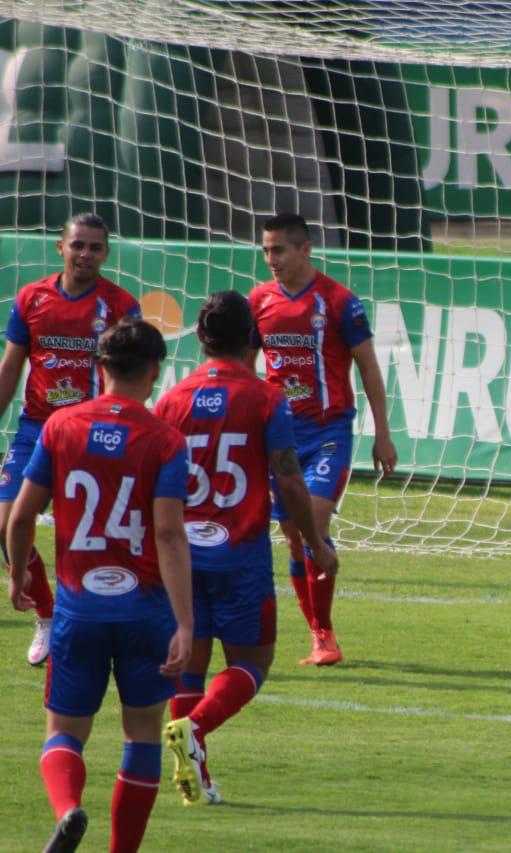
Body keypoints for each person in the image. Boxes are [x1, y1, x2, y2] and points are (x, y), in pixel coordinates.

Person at [7, 316, 192, 853]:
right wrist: (184, 623)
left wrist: (18, 574)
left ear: (99, 366)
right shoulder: (165, 439)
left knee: (63, 733)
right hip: (144, 612)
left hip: (78, 610)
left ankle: (68, 809)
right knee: (142, 734)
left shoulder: (60, 426)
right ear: (155, 370)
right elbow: (168, 533)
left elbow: (21, 516)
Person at [154, 291, 338, 805]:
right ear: (252, 338)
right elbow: (290, 479)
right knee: (254, 662)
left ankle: (196, 775)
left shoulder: (172, 400)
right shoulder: (267, 398)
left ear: (201, 337)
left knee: (189, 664)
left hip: (183, 553)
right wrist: (315, 543)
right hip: (240, 555)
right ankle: (195, 729)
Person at [248, 213, 396, 666]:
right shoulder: (259, 300)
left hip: (329, 432)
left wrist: (383, 434)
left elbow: (368, 366)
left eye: (279, 250)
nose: (271, 259)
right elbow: (244, 367)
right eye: (266, 250)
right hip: (279, 437)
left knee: (313, 520)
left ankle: (325, 633)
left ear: (305, 249)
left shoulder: (338, 302)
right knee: (295, 539)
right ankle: (318, 631)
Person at [0, 212, 140, 666]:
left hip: (94, 434)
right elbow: (11, 366)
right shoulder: (32, 298)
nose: (85, 254)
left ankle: (110, 626)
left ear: (106, 254)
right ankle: (47, 612)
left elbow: (132, 374)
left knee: (92, 537)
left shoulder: (120, 305)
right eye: (78, 245)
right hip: (37, 429)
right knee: (5, 524)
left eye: (95, 247)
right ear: (61, 247)